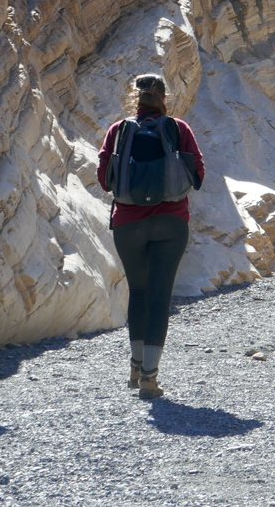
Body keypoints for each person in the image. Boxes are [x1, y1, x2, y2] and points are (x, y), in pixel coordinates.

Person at [97, 73, 205, 400]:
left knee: (139, 291)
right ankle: (149, 376)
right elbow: (198, 175)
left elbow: (104, 180)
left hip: (128, 223)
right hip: (171, 221)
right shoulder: (178, 128)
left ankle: (134, 364)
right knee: (160, 296)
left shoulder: (119, 130)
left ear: (136, 99)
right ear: (164, 98)